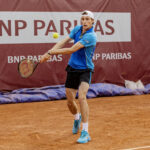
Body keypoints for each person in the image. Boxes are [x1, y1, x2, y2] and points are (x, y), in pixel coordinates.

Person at [40, 10, 97, 144]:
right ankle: (76, 118)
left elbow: (71, 49)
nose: (84, 22)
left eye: (87, 19)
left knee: (82, 97)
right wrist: (48, 53)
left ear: (93, 22)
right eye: (83, 19)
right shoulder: (77, 29)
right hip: (72, 68)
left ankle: (85, 132)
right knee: (70, 101)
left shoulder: (91, 36)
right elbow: (63, 41)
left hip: (85, 69)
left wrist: (50, 52)